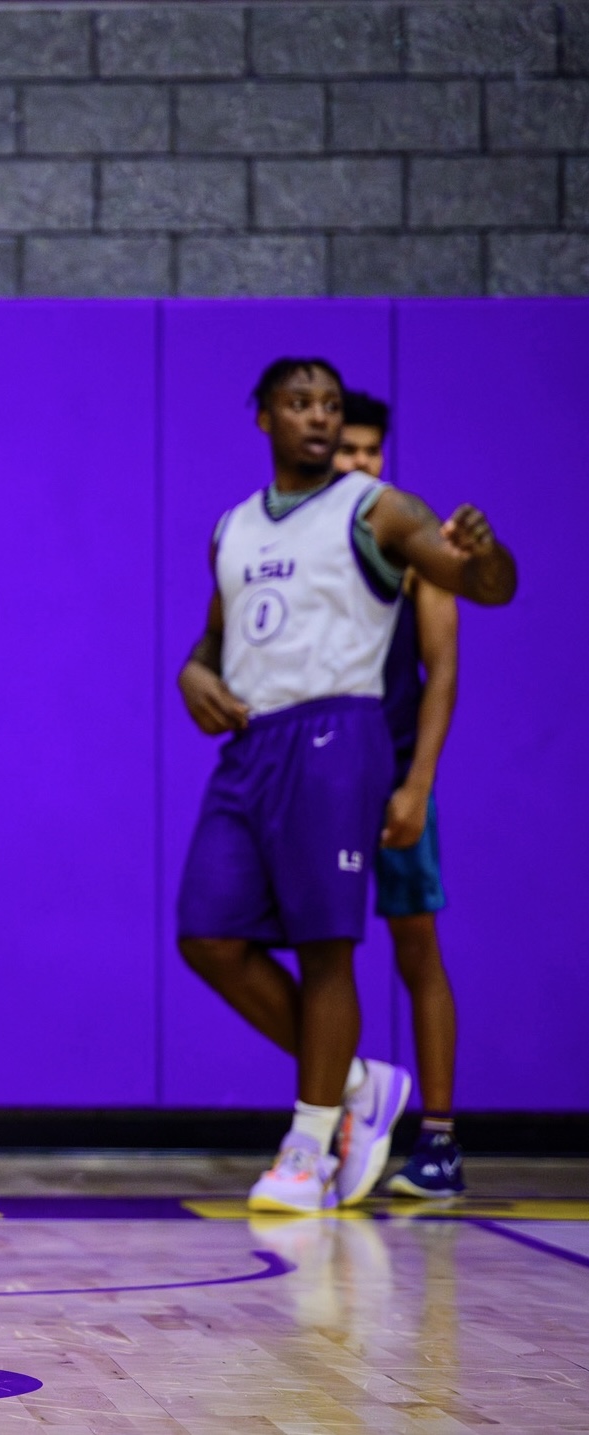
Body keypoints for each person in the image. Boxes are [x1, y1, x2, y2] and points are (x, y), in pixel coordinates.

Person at [175, 358, 515, 1215]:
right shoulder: (232, 527)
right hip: (252, 743)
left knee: (328, 945)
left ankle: (308, 1139)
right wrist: (191, 675)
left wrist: (486, 554)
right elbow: (211, 643)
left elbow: (483, 585)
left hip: (337, 734)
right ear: (262, 418)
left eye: (329, 404)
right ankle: (358, 1079)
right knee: (205, 934)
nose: (318, 418)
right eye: (299, 404)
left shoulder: (375, 506)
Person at [337, 393, 466, 1198]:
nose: (355, 463)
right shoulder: (294, 539)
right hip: (315, 775)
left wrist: (415, 782)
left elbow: (441, 671)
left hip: (388, 771)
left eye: (368, 452)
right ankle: (336, 1113)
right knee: (319, 954)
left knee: (415, 947)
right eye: (344, 449)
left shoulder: (410, 542)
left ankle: (440, 1138)